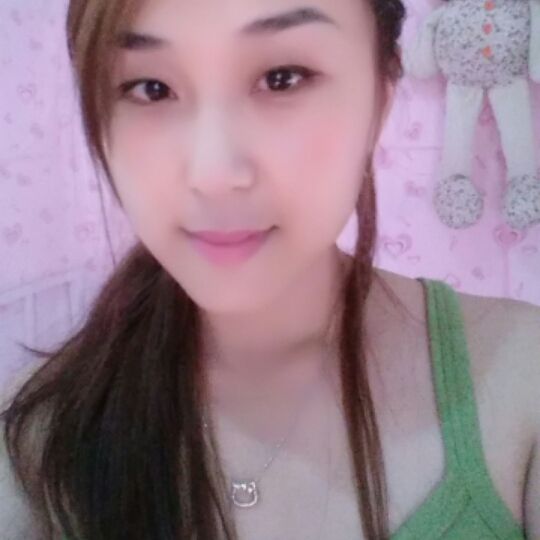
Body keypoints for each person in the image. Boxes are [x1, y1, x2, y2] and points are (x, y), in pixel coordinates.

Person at [0, 0, 538, 539]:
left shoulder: (521, 376)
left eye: (282, 78)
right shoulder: (35, 437)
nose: (214, 174)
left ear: (380, 101)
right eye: (151, 89)